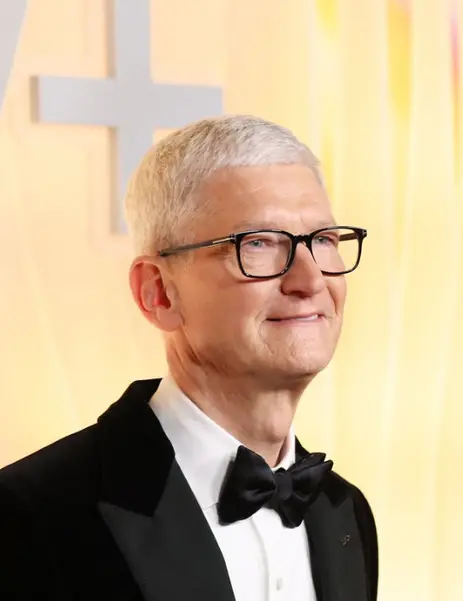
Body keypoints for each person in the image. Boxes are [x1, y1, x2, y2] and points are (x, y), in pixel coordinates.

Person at [0, 115, 377, 601]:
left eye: (322, 240)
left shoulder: (344, 512)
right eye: (258, 243)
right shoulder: (30, 515)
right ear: (158, 292)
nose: (309, 281)